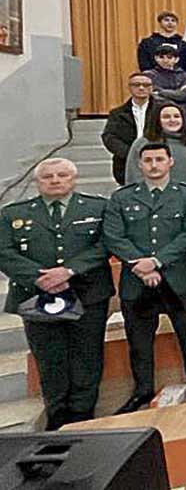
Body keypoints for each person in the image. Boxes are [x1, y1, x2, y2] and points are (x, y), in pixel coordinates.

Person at [0, 159, 112, 430]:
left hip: (88, 295)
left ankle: (83, 421)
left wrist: (69, 271)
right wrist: (41, 278)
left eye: (62, 175)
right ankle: (57, 421)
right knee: (50, 360)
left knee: (87, 358)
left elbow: (106, 244)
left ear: (73, 179)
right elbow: (4, 252)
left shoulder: (98, 208)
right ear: (38, 182)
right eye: (47, 176)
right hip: (36, 297)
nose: (55, 180)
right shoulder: (12, 213)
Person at [105, 144, 186, 413]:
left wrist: (157, 261)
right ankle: (142, 389)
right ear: (139, 165)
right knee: (139, 339)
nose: (153, 165)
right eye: (148, 160)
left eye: (159, 159)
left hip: (177, 277)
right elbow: (114, 236)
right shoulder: (122, 198)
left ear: (170, 162)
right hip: (136, 279)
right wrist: (141, 264)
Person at [126, 103, 186, 185]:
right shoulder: (142, 143)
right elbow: (134, 176)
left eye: (177, 116)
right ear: (157, 120)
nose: (172, 120)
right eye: (166, 117)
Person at [103, 73, 158, 185]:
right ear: (129, 87)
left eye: (146, 85)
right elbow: (109, 137)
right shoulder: (117, 113)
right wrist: (130, 153)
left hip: (157, 158)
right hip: (126, 162)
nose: (141, 88)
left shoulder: (161, 110)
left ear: (152, 88)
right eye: (137, 85)